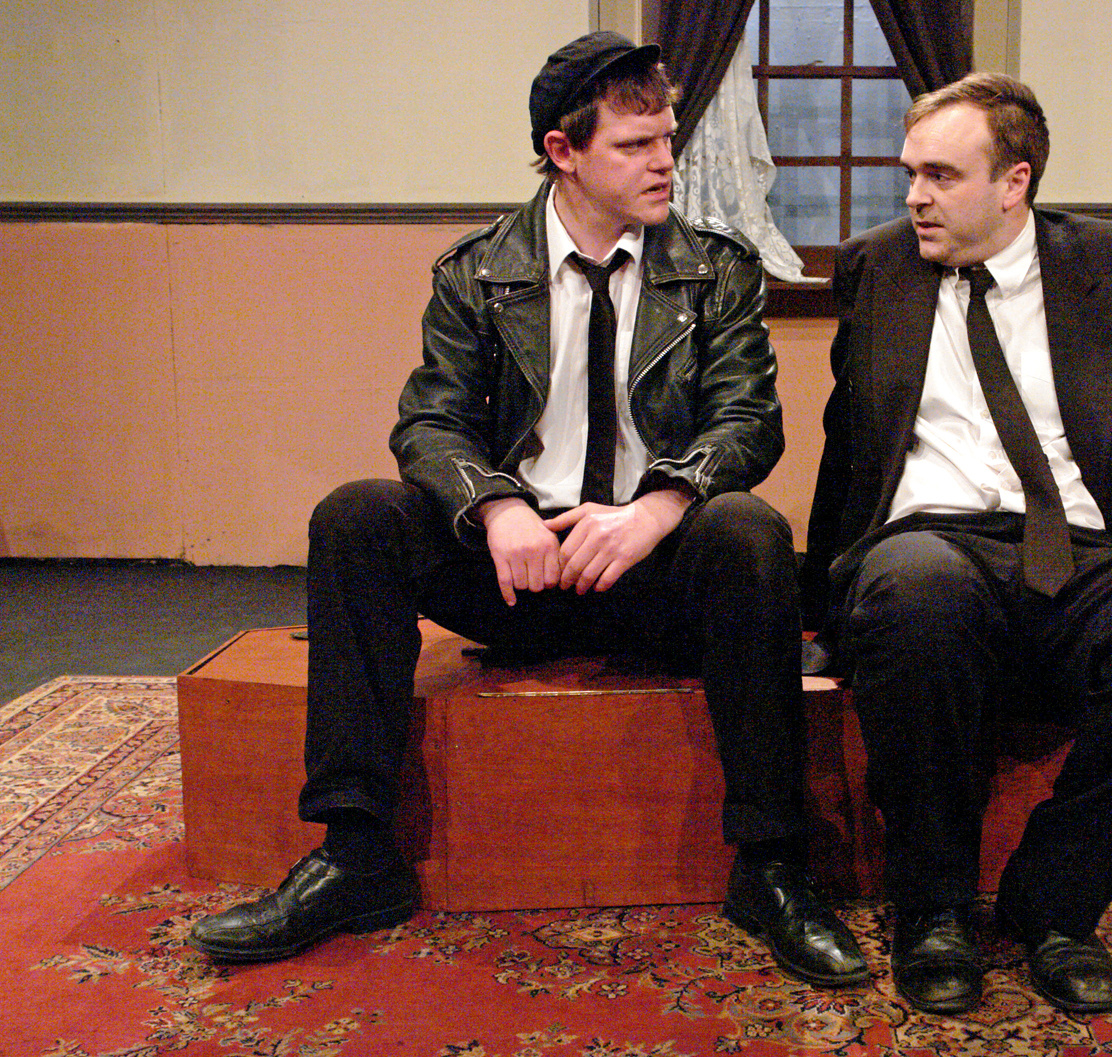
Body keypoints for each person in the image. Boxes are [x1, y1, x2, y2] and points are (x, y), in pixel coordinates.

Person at [189, 31, 868, 990]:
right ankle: (355, 851)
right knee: (356, 518)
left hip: (650, 575)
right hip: (517, 573)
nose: (665, 162)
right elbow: (430, 421)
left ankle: (770, 864)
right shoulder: (478, 271)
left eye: (667, 139)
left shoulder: (716, 269)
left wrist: (658, 506)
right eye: (635, 145)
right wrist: (495, 507)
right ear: (563, 151)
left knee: (748, 530)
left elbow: (748, 420)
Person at [800, 72, 1112, 1016]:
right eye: (909, 173)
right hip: (929, 539)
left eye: (940, 175)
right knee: (918, 588)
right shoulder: (877, 266)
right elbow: (846, 446)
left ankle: (1055, 903)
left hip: (1081, 549)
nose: (914, 196)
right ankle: (933, 908)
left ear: (1014, 182)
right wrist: (817, 611)